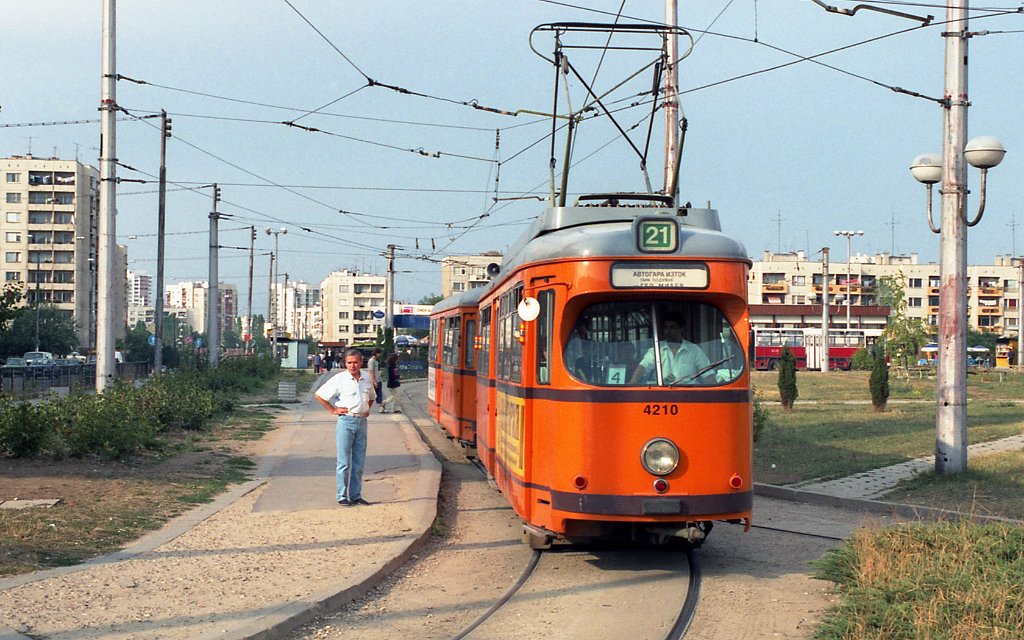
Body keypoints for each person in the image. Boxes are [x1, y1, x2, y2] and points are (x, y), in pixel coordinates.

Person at [314, 348, 375, 506]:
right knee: (344, 462)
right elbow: (319, 395)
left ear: (361, 362)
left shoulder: (367, 378)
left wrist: (366, 409)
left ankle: (355, 495)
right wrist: (333, 410)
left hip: (362, 422)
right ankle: (341, 495)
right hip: (346, 422)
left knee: (358, 461)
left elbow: (372, 396)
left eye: (355, 362)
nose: (353, 366)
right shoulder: (339, 379)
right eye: (349, 363)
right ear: (345, 363)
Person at [629, 313, 710, 385]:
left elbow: (707, 373)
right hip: (662, 394)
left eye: (672, 327)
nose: (668, 331)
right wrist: (633, 382)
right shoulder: (656, 349)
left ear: (681, 329)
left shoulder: (694, 350)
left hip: (688, 395)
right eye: (666, 328)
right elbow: (643, 366)